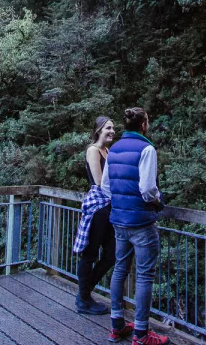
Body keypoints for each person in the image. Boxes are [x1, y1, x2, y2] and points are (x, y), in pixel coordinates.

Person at [102, 107, 170, 345]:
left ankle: (117, 326)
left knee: (120, 269)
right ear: (144, 125)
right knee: (144, 276)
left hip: (119, 221)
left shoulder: (114, 149)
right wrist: (159, 201)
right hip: (141, 222)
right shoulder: (147, 148)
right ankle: (141, 334)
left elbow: (105, 187)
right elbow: (148, 189)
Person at [73, 116, 117, 315]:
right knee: (90, 254)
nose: (112, 131)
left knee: (112, 253)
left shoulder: (108, 151)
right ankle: (84, 300)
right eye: (108, 128)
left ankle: (84, 293)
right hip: (99, 207)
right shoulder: (93, 150)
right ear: (98, 129)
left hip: (109, 207)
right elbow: (100, 183)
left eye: (113, 128)